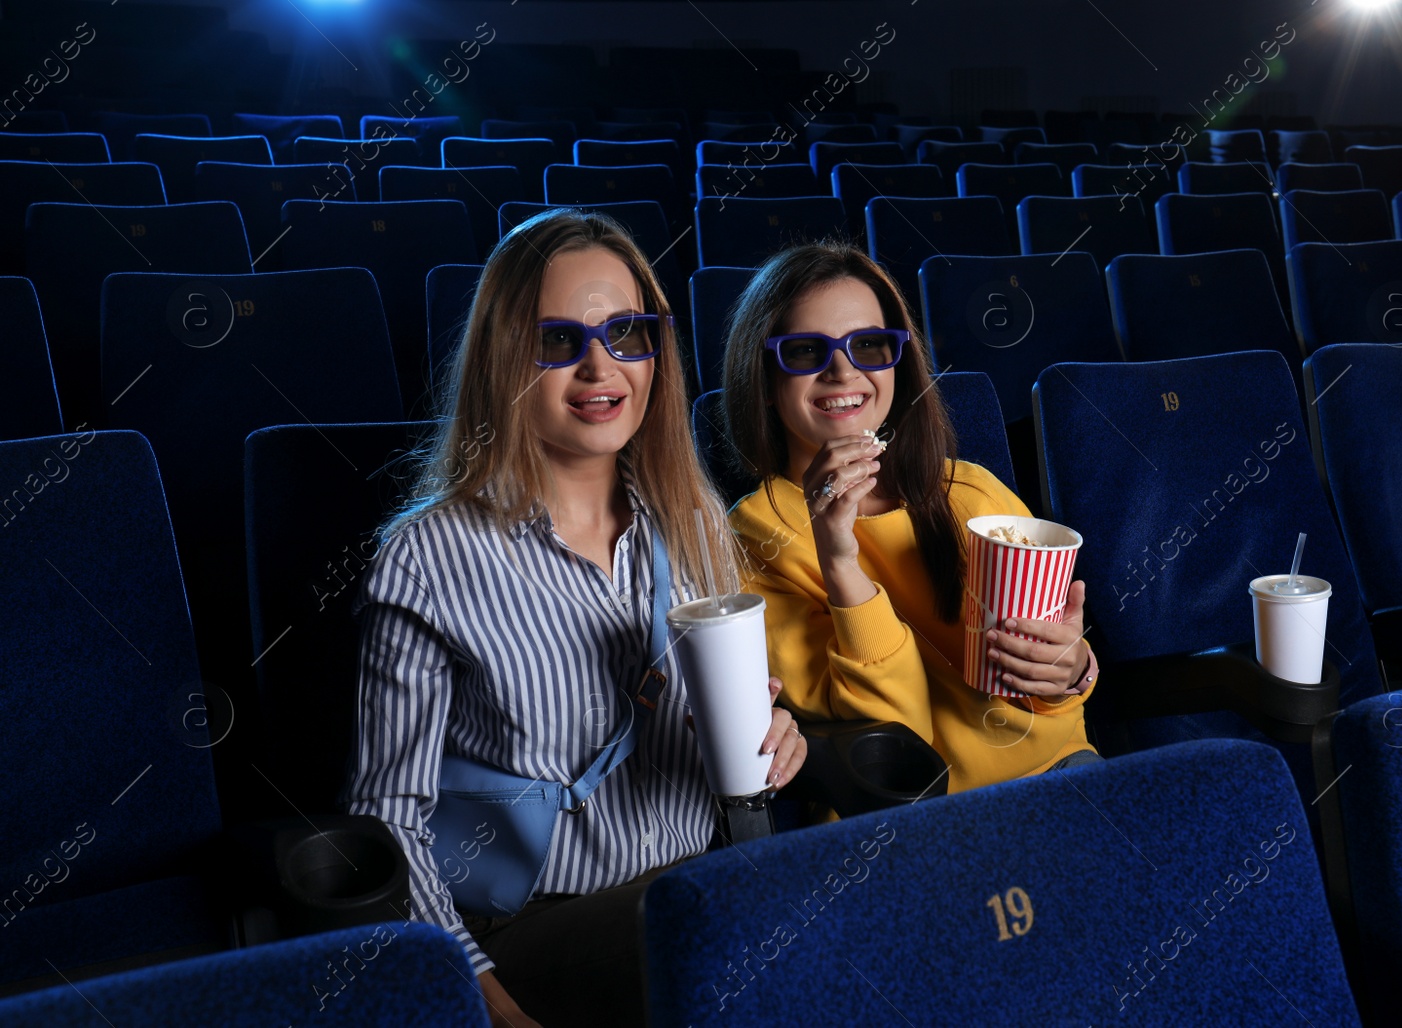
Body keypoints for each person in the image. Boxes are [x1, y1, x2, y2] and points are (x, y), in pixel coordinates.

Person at [343, 210, 807, 1028]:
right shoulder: (429, 555)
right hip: (526, 927)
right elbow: (389, 819)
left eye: (627, 333)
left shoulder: (692, 521)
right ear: (505, 360)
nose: (602, 366)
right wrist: (491, 1006)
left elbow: (719, 740)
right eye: (558, 341)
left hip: (696, 887)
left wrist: (773, 738)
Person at [720, 241, 1099, 795]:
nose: (843, 371)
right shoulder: (753, 537)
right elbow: (890, 739)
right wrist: (840, 561)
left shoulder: (970, 490)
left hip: (1062, 771)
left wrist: (1073, 670)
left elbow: (1053, 683)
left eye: (869, 345)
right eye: (805, 351)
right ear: (765, 377)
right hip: (913, 816)